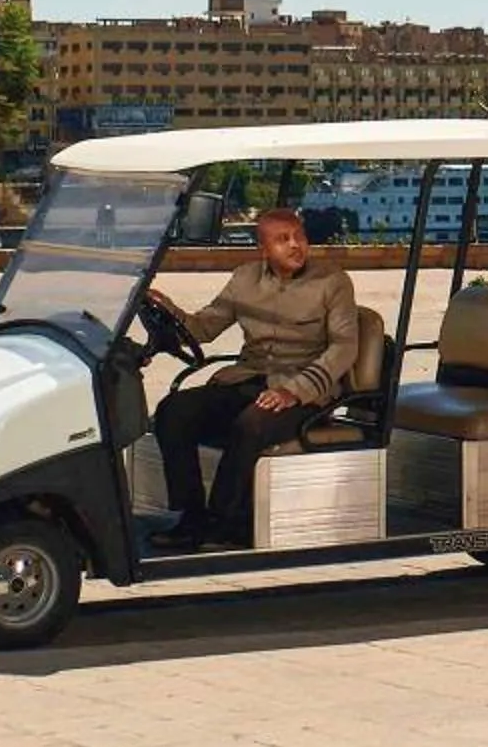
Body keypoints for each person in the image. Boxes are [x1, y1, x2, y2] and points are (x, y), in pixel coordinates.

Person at [148, 208, 360, 551]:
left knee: (251, 424)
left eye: (299, 236)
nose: (295, 245)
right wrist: (167, 308)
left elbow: (344, 348)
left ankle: (223, 522)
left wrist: (294, 391)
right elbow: (204, 328)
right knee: (173, 410)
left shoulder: (332, 282)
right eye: (282, 239)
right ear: (263, 248)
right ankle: (192, 516)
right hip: (249, 379)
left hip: (303, 392)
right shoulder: (244, 278)